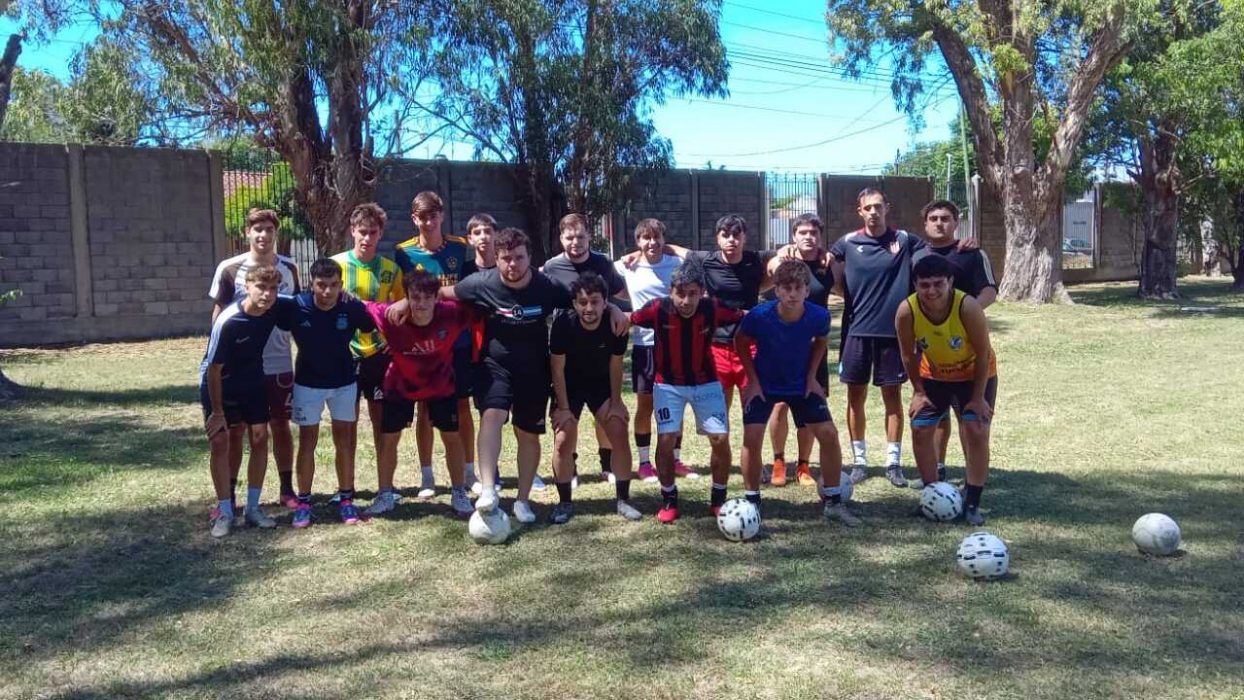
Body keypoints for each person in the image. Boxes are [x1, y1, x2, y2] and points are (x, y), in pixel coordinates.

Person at [433, 228, 626, 523]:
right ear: (496, 258)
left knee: (528, 433)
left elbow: (584, 298)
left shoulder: (546, 286)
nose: (513, 264)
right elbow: (442, 293)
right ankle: (488, 490)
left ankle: (522, 501)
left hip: (535, 369)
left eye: (519, 257)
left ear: (529, 257)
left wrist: (613, 308)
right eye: (506, 258)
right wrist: (406, 302)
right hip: (494, 367)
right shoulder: (481, 283)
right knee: (492, 416)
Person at [736, 259, 861, 526]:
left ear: (806, 290)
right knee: (752, 436)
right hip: (765, 385)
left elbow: (821, 341)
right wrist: (753, 381)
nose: (792, 294)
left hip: (800, 384)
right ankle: (752, 502)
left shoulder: (819, 316)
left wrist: (811, 377)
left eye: (797, 288)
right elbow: (741, 342)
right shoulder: (759, 315)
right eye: (786, 288)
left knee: (829, 434)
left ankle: (833, 502)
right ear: (776, 290)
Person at [629, 258, 743, 523]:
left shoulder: (713, 308)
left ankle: (718, 499)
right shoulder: (657, 308)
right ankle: (669, 499)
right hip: (668, 385)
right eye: (680, 293)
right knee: (667, 439)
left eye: (693, 293)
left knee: (720, 438)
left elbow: (743, 316)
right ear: (671, 291)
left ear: (702, 292)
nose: (686, 300)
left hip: (706, 383)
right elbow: (628, 319)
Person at [830, 188, 925, 488]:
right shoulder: (847, 243)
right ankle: (859, 462)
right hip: (856, 333)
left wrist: (964, 244)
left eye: (878, 206)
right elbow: (825, 269)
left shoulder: (905, 240)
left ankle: (893, 464)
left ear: (887, 207)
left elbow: (939, 249)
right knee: (855, 398)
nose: (873, 211)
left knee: (892, 398)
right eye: (867, 207)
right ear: (859, 211)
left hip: (892, 335)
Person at [208, 208, 301, 510]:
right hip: (240, 366)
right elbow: (219, 314)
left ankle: (286, 488)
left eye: (269, 229)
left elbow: (296, 311)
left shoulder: (289, 268)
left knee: (279, 425)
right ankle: (230, 493)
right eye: (257, 229)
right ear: (247, 232)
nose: (263, 235)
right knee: (236, 431)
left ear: (276, 233)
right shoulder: (229, 268)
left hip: (278, 361)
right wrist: (216, 355)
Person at [363, 270, 476, 519]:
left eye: (427, 297)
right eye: (415, 297)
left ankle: (459, 492)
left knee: (452, 437)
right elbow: (360, 305)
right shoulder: (390, 315)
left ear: (437, 298)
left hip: (441, 383)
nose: (421, 304)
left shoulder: (452, 313)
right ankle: (385, 495)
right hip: (399, 384)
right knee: (388, 439)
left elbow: (478, 296)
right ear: (407, 297)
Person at [895, 254, 997, 526]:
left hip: (975, 374)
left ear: (950, 282)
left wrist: (978, 398)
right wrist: (918, 392)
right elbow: (907, 355)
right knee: (920, 428)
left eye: (938, 284)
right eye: (924, 285)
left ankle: (972, 503)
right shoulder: (907, 310)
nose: (931, 291)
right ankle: (933, 496)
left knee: (975, 429)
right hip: (935, 375)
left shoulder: (967, 306)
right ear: (915, 285)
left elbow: (984, 354)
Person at [282, 258, 377, 529]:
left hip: (344, 383)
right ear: (311, 284)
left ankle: (346, 499)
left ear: (341, 285)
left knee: (344, 441)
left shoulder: (351, 307)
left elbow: (371, 324)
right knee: (307, 442)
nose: (327, 291)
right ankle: (304, 503)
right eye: (321, 285)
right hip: (307, 384)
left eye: (334, 285)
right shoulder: (296, 306)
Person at [395, 191, 475, 500]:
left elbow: (469, 288)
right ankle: (427, 476)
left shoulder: (459, 247)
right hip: (423, 343)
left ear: (442, 216)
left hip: (457, 340)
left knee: (462, 405)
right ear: (414, 219)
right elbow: (402, 295)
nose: (428, 222)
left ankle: (469, 471)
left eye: (433, 216)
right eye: (422, 217)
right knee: (424, 408)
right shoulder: (403, 252)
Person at [911, 199, 997, 487]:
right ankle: (937, 471)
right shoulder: (916, 255)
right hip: (932, 354)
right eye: (933, 218)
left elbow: (989, 291)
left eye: (945, 218)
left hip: (966, 349)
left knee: (969, 420)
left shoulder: (971, 253)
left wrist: (965, 316)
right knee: (934, 418)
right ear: (925, 224)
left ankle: (972, 480)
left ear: (956, 223)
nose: (939, 223)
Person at [542, 213, 630, 487]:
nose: (576, 242)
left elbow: (621, 292)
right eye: (569, 237)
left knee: (607, 416)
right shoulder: (551, 267)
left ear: (589, 236)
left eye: (580, 236)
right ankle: (570, 468)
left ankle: (607, 463)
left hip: (598, 348)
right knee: (567, 420)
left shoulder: (603, 263)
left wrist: (617, 309)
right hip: (566, 347)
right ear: (561, 239)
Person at [549, 272, 643, 523]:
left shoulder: (616, 325)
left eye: (595, 302)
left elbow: (616, 366)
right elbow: (557, 369)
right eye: (582, 302)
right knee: (563, 438)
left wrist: (616, 402)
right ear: (574, 303)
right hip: (569, 386)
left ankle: (623, 500)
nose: (589, 308)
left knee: (618, 429)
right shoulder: (563, 324)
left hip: (600, 385)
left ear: (605, 302)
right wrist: (563, 408)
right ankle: (564, 503)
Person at [200, 264, 286, 538]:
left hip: (253, 381)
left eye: (273, 288)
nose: (267, 294)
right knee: (220, 442)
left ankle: (253, 508)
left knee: (260, 439)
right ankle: (225, 512)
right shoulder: (229, 320)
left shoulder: (274, 307)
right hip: (220, 383)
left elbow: (307, 301)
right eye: (261, 287)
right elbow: (213, 369)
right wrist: (216, 412)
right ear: (246, 287)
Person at [331, 203, 404, 500]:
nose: (367, 238)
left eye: (373, 232)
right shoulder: (335, 265)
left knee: (381, 424)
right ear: (352, 231)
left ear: (380, 233)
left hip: (379, 356)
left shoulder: (391, 270)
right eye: (362, 231)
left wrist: (393, 341)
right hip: (344, 356)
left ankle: (385, 488)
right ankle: (346, 489)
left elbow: (401, 311)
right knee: (346, 425)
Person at [613, 218, 689, 484]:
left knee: (676, 403)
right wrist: (634, 255)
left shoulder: (676, 263)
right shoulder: (627, 266)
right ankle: (644, 463)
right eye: (646, 238)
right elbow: (603, 274)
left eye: (657, 237)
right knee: (645, 405)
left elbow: (696, 258)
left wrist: (670, 248)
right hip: (645, 346)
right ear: (638, 241)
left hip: (675, 345)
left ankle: (675, 459)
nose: (652, 242)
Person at [764, 214, 835, 488]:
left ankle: (803, 465)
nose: (808, 237)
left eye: (813, 233)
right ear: (794, 235)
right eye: (803, 232)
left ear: (820, 237)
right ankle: (779, 462)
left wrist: (828, 255)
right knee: (779, 405)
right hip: (782, 348)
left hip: (814, 348)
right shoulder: (783, 260)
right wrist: (782, 253)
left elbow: (842, 282)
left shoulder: (827, 264)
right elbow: (771, 268)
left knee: (808, 403)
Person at [460, 212, 497, 494]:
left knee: (513, 411)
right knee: (484, 412)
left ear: (496, 235)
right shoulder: (465, 271)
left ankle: (528, 471)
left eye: (488, 231)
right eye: (477, 232)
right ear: (470, 239)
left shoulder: (508, 265)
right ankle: (483, 471)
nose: (483, 236)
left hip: (505, 347)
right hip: (473, 349)